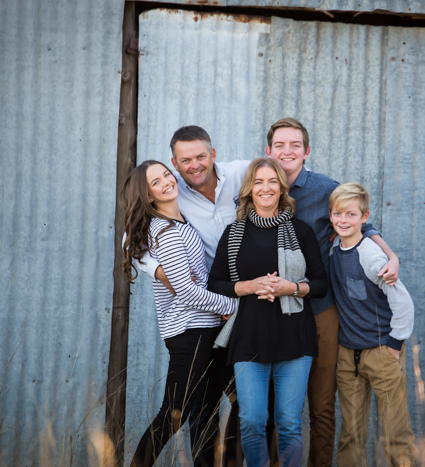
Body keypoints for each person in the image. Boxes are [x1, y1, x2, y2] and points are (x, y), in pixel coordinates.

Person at [265, 117, 400, 467]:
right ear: (269, 151)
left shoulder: (325, 190)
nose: (287, 151)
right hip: (276, 310)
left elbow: (361, 223)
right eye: (280, 145)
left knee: (322, 405)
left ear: (306, 151)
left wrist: (390, 255)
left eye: (295, 144)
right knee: (279, 406)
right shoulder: (261, 188)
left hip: (322, 308)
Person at [138, 126, 249, 467]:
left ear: (212, 154)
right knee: (177, 414)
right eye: (155, 183)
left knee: (241, 401)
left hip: (212, 325)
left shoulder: (241, 175)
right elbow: (182, 288)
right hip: (195, 329)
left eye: (201, 156)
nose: (193, 165)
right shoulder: (168, 227)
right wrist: (230, 306)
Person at [208, 158, 328, 467]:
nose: (265, 188)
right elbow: (216, 282)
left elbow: (319, 284)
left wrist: (291, 288)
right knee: (251, 420)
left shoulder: (300, 231)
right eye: (259, 182)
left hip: (294, 337)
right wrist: (250, 286)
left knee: (288, 423)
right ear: (250, 189)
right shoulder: (234, 233)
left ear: (281, 188)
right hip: (248, 337)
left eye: (272, 181)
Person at [327, 183, 416, 467]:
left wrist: (395, 344)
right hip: (347, 353)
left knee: (395, 432)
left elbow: (403, 301)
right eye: (338, 213)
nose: (343, 220)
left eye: (351, 215)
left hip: (381, 352)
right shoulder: (332, 249)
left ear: (364, 218)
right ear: (330, 215)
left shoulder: (369, 255)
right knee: (351, 434)